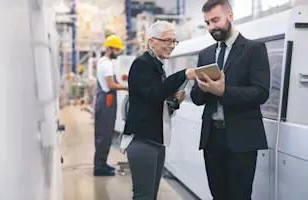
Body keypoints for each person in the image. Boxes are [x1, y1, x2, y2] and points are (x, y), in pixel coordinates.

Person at [190, 1, 270, 200]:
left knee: (240, 196)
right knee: (218, 195)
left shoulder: (254, 49)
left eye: (215, 20)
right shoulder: (206, 54)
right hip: (212, 139)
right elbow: (196, 98)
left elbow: (261, 92)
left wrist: (223, 91)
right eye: (207, 23)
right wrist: (202, 88)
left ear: (230, 16)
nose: (211, 27)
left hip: (242, 139)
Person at [122, 20, 196, 200]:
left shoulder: (156, 66)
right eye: (167, 41)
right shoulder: (142, 64)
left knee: (150, 195)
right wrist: (183, 75)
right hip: (142, 140)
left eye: (173, 41)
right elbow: (155, 95)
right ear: (151, 41)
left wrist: (174, 102)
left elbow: (156, 104)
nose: (171, 46)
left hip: (156, 140)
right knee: (144, 196)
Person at [93, 34, 128, 176]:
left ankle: (101, 163)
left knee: (104, 134)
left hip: (104, 99)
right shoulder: (107, 64)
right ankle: (99, 167)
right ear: (110, 48)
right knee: (104, 134)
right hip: (107, 100)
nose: (119, 52)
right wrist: (127, 88)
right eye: (118, 50)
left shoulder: (102, 61)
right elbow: (111, 85)